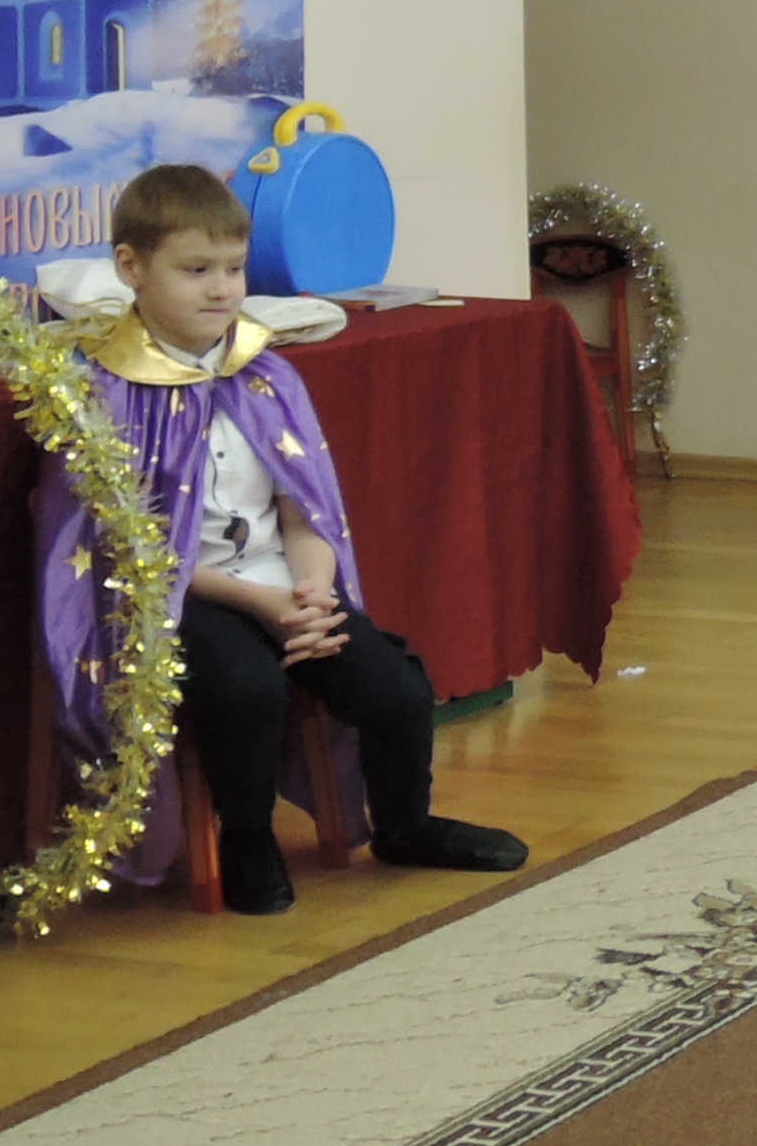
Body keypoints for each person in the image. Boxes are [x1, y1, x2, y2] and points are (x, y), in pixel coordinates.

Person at [35, 165, 527, 914]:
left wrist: (312, 592)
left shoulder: (264, 376)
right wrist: (261, 605)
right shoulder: (103, 392)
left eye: (233, 269)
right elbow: (124, 552)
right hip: (179, 596)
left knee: (395, 689)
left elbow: (306, 512)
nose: (221, 290)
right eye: (196, 271)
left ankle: (406, 826)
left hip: (281, 579)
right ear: (131, 267)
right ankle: (248, 836)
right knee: (246, 687)